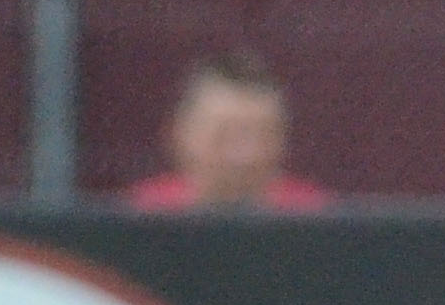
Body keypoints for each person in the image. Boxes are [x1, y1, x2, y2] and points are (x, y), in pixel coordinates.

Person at [124, 51, 332, 210]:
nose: (245, 157)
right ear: (178, 135)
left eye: (263, 136)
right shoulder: (140, 218)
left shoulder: (316, 220)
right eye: (223, 137)